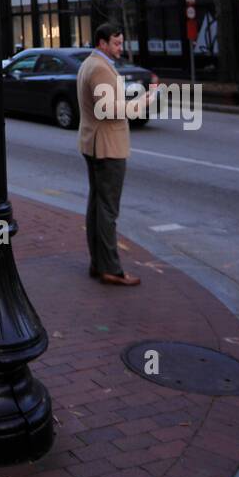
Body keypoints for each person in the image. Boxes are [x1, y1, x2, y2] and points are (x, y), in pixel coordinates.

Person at [76, 21, 157, 287]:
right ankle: (110, 268)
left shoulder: (90, 63)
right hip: (107, 147)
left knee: (97, 207)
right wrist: (144, 101)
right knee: (107, 210)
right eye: (116, 43)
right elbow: (109, 109)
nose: (120, 47)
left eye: (121, 42)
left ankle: (98, 264)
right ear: (102, 43)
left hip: (95, 143)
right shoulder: (99, 67)